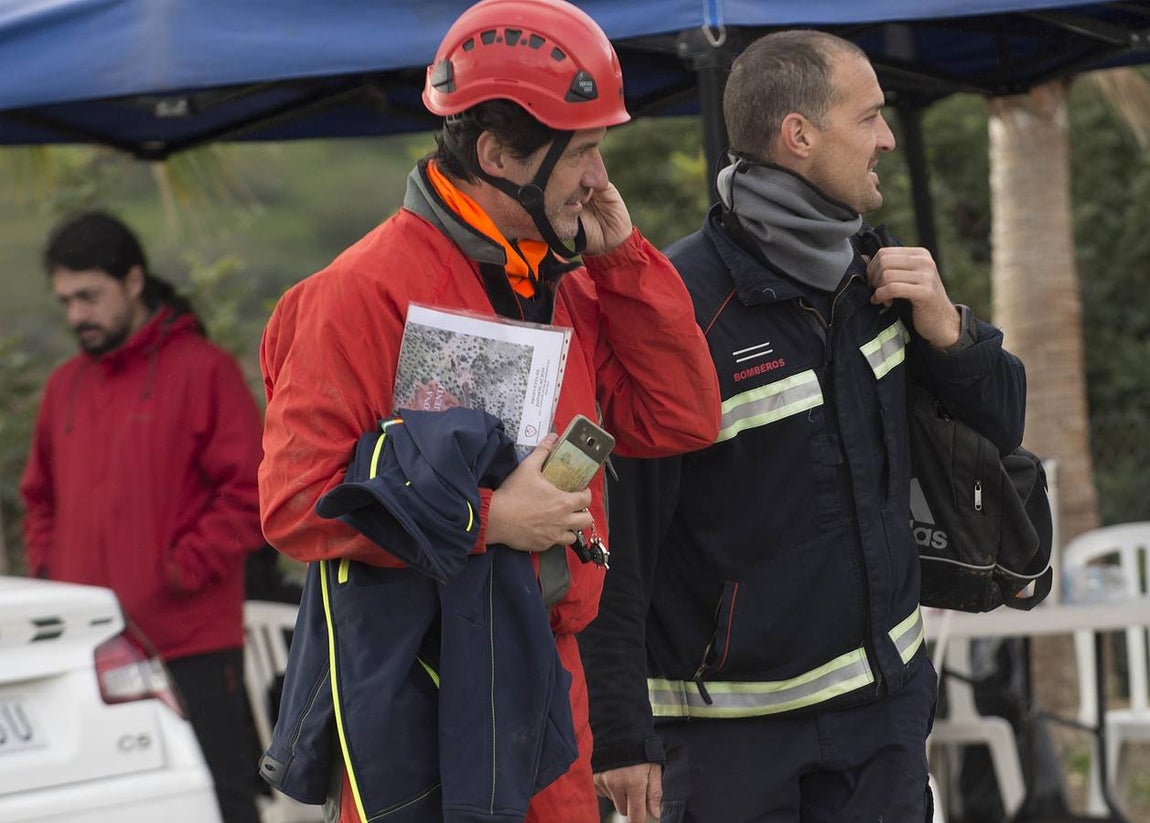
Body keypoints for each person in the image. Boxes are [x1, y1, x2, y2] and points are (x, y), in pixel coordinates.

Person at [256, 1, 721, 821]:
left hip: (550, 690)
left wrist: (625, 264)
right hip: (420, 696)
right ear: (497, 153)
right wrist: (487, 519)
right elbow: (296, 503)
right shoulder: (354, 294)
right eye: (581, 152)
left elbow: (681, 416)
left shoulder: (566, 280)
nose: (598, 177)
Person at [579, 29, 1028, 823]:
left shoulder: (879, 275)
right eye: (870, 118)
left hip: (883, 716)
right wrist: (619, 734)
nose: (887, 137)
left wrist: (949, 330)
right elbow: (620, 543)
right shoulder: (675, 305)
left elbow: (1003, 418)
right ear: (799, 135)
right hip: (726, 742)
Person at [19, 211, 265, 823]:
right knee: (109, 805)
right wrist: (53, 577)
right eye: (66, 301)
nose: (77, 315)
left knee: (219, 800)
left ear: (132, 281)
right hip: (89, 649)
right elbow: (38, 501)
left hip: (188, 642)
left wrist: (177, 573)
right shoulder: (63, 387)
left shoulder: (203, 370)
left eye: (89, 296)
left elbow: (254, 491)